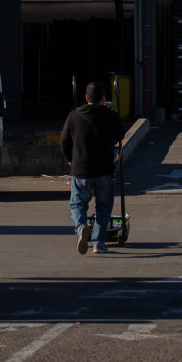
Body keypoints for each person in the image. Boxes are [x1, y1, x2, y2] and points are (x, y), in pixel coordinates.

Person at [61, 80, 124, 254]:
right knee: (103, 206)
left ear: (86, 98)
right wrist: (108, 112)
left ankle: (81, 227)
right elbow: (120, 134)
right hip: (104, 169)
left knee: (78, 204)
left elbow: (64, 142)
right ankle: (99, 243)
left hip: (81, 169)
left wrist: (70, 160)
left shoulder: (73, 116)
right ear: (103, 98)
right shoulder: (110, 116)